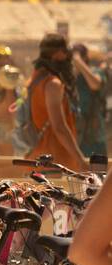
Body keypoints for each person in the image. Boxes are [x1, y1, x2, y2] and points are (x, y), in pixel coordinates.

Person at [25, 31, 85, 171]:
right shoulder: (52, 83)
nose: (67, 56)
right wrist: (81, 160)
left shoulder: (35, 78)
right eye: (65, 51)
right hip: (55, 161)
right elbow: (59, 127)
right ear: (57, 53)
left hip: (38, 157)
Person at [72, 44, 108, 159]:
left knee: (97, 168)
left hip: (93, 131)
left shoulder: (95, 71)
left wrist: (80, 63)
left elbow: (95, 84)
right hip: (75, 130)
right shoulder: (69, 76)